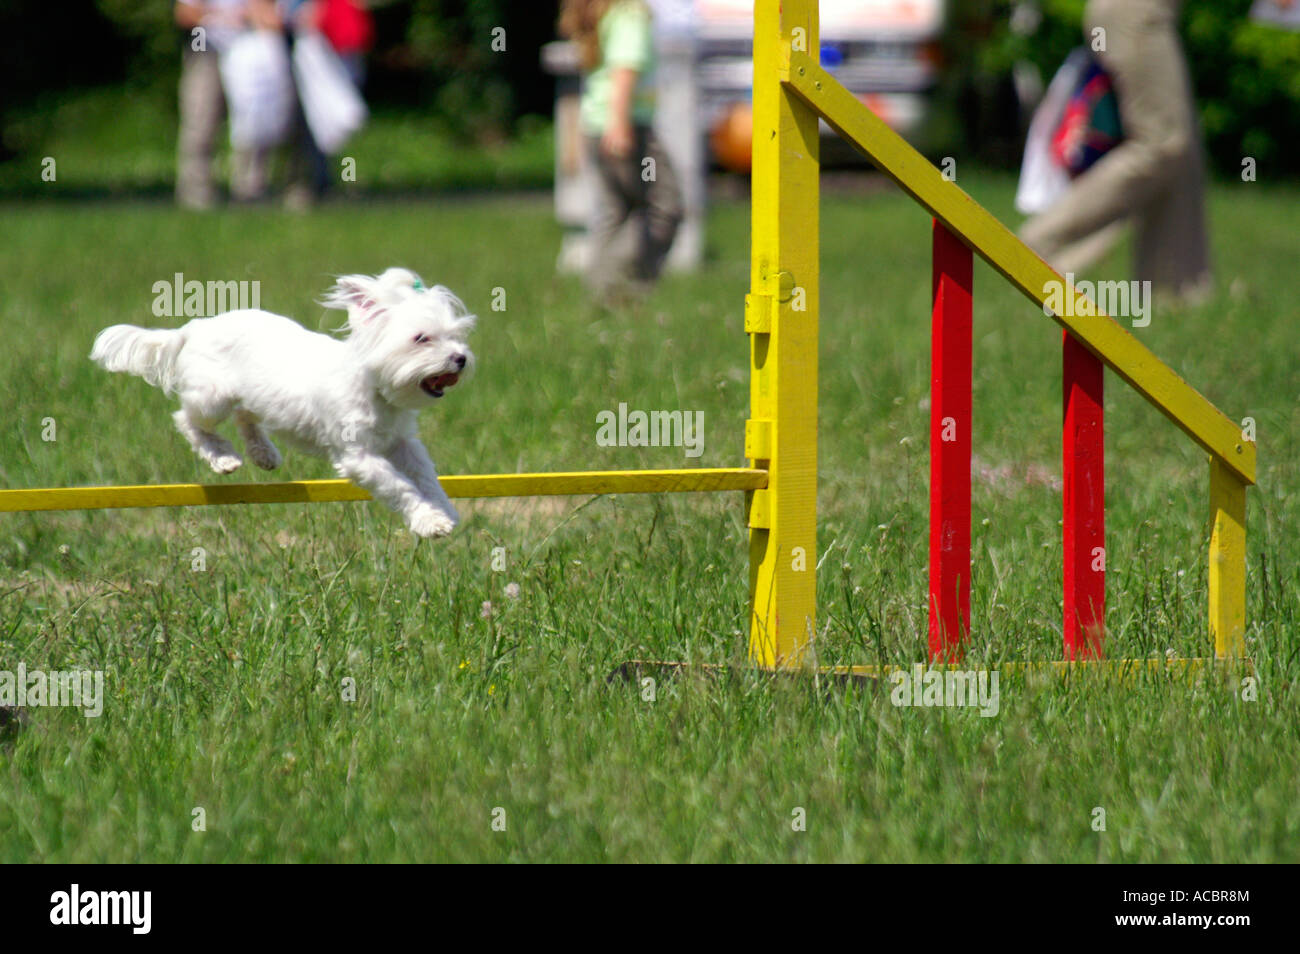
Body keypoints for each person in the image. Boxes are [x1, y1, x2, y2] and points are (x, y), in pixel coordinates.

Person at [1020, 0, 1212, 304]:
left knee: (1179, 151)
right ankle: (1037, 243)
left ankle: (1174, 293)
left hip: (1143, 12)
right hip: (1136, 10)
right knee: (1162, 142)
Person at [560, 0, 684, 301]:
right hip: (627, 126)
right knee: (665, 207)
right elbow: (624, 70)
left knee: (616, 211)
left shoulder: (603, 12)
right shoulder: (630, 13)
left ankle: (600, 288)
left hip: (598, 124)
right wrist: (619, 123)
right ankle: (626, 284)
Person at [175, 0, 281, 207]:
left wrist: (253, 15)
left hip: (248, 48)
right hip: (205, 46)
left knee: (253, 120)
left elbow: (268, 14)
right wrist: (218, 17)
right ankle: (196, 192)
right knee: (200, 120)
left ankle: (251, 188)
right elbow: (184, 14)